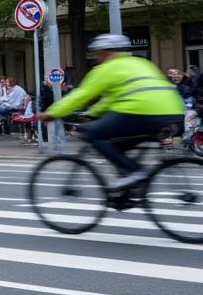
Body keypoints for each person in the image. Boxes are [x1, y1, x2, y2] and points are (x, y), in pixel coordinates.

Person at [35, 34, 185, 188]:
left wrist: (52, 113)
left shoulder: (106, 68)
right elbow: (110, 101)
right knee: (116, 145)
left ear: (104, 52)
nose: (96, 57)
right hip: (175, 113)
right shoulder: (142, 62)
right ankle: (129, 186)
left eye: (97, 53)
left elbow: (82, 95)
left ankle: (134, 171)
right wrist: (92, 113)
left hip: (141, 111)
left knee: (92, 133)